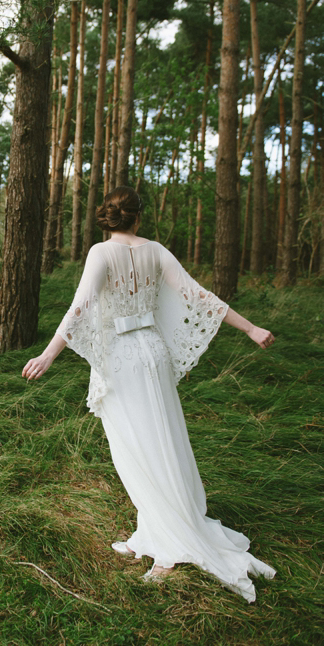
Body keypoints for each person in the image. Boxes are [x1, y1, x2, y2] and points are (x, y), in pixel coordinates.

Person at [22, 186, 276, 603]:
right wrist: (251, 328)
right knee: (160, 442)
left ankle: (168, 545)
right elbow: (199, 296)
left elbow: (80, 307)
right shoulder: (156, 250)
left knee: (139, 448)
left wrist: (49, 355)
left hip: (124, 359)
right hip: (152, 352)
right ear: (138, 217)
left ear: (111, 218)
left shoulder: (100, 253)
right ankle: (152, 529)